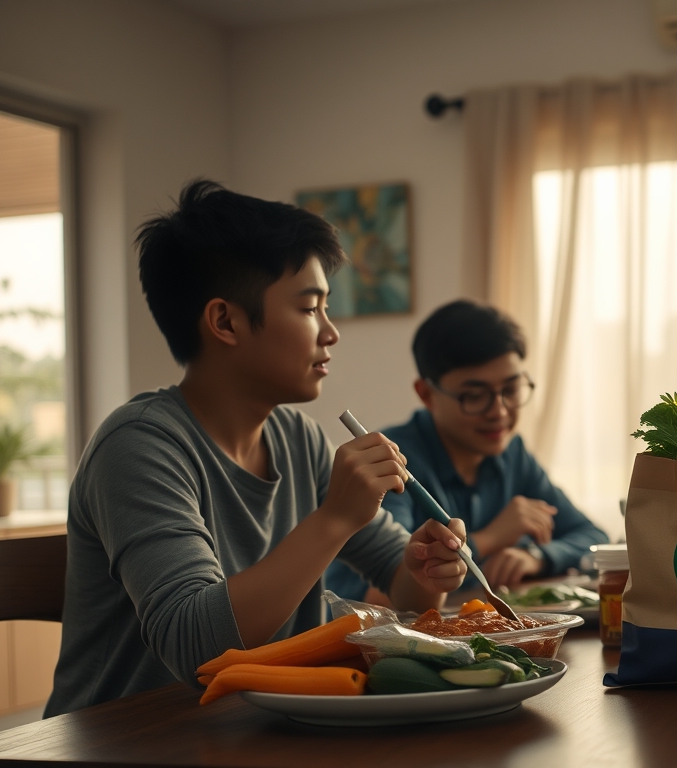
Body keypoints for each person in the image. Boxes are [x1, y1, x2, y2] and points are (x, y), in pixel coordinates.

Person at [45, 181, 467, 716]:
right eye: (310, 308)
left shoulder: (300, 439)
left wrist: (430, 568)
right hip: (133, 738)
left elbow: (405, 591)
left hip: (257, 728)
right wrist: (334, 518)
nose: (331, 332)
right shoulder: (138, 446)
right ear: (225, 321)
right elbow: (198, 648)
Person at [326, 300, 608, 598]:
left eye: (511, 390)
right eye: (474, 396)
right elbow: (372, 595)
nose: (498, 411)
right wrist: (488, 539)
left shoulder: (513, 455)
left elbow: (594, 538)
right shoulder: (390, 461)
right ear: (427, 394)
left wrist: (537, 556)